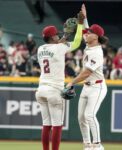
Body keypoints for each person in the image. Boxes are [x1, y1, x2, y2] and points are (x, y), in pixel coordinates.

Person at [35, 10, 84, 150]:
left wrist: (62, 38)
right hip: (54, 90)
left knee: (46, 124)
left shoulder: (40, 48)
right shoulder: (59, 48)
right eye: (56, 34)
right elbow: (77, 42)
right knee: (57, 125)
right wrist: (80, 25)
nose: (58, 35)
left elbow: (55, 45)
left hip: (41, 90)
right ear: (52, 37)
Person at [66, 4, 108, 150]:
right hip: (87, 87)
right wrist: (84, 17)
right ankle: (87, 145)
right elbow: (85, 29)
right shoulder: (90, 42)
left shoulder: (97, 51)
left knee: (89, 115)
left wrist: (71, 82)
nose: (86, 34)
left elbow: (86, 73)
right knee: (81, 118)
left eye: (90, 33)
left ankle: (98, 145)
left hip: (97, 87)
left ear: (96, 36)